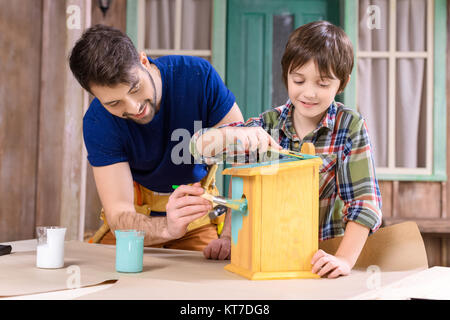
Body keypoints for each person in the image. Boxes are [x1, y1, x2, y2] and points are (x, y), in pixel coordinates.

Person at [191, 21, 382, 277]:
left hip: (322, 258)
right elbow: (198, 148)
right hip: (269, 256)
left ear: (342, 83)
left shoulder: (349, 127)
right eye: (299, 80)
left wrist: (344, 260)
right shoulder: (268, 124)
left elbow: (364, 203)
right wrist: (234, 134)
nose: (309, 93)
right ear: (286, 75)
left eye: (323, 84)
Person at [69, 24, 244, 260]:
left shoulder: (198, 77)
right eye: (114, 103)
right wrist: (167, 228)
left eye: (135, 88)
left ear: (143, 61)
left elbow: (243, 157)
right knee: (109, 280)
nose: (134, 108)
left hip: (195, 214)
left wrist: (230, 237)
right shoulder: (98, 122)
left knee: (206, 279)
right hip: (136, 221)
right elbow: (120, 214)